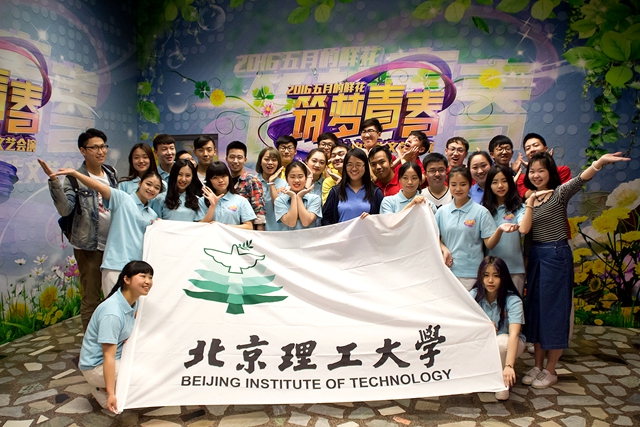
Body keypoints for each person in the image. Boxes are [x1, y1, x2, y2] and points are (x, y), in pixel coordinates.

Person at [521, 151, 629, 389]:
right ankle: (537, 366)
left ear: (550, 172)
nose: (536, 175)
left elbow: (581, 179)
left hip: (556, 255)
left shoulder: (559, 193)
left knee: (554, 312)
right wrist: (526, 268)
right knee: (536, 311)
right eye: (532, 171)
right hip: (536, 256)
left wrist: (599, 163)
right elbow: (527, 237)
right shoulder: (529, 200)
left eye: (541, 170)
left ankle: (550, 370)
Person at [39, 128, 118, 332]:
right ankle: (91, 343)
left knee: (114, 293)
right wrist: (54, 182)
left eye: (103, 146)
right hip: (89, 247)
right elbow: (65, 210)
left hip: (114, 244)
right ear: (83, 151)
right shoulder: (74, 178)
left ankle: (111, 337)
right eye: (95, 147)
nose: (101, 151)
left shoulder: (111, 172)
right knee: (91, 297)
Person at [48, 163, 162, 296]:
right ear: (140, 183)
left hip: (137, 270)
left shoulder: (152, 215)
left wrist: (159, 226)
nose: (151, 189)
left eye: (157, 187)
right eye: (148, 184)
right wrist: (75, 174)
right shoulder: (122, 199)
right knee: (114, 305)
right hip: (116, 265)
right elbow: (98, 186)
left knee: (133, 308)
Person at [79, 260, 153, 413]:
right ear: (126, 279)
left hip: (118, 357)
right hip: (96, 366)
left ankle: (109, 387)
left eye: (150, 277)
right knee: (147, 376)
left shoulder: (132, 302)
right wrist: (112, 394)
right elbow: (108, 357)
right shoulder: (112, 313)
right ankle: (102, 389)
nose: (148, 281)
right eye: (142, 276)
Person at [436, 166, 518, 290]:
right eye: (453, 185)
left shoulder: (481, 212)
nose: (458, 189)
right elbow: (433, 237)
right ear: (448, 186)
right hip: (446, 271)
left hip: (472, 273)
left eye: (463, 184)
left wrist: (500, 229)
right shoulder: (442, 212)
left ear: (470, 185)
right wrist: (444, 249)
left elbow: (490, 244)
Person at [469, 256, 525, 401]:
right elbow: (464, 326)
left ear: (503, 277)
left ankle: (502, 382)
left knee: (500, 342)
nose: (490, 280)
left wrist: (509, 366)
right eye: (486, 275)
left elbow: (514, 335)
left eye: (496, 275)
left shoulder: (513, 300)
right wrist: (483, 327)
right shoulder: (473, 296)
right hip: (482, 342)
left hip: (508, 344)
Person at [482, 165, 540, 295]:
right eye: (495, 182)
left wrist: (530, 202)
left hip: (514, 268)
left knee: (514, 306)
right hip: (490, 270)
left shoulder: (519, 208)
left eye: (504, 181)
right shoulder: (484, 210)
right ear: (489, 185)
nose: (500, 186)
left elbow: (524, 229)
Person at [322, 148, 383, 225]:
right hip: (341, 233)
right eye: (350, 164)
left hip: (367, 233)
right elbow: (326, 220)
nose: (354, 169)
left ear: (365, 166)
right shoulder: (336, 191)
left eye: (358, 165)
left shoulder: (376, 192)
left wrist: (372, 220)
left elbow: (382, 221)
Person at [516, 133, 571, 199]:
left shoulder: (563, 170)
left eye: (536, 145)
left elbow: (560, 193)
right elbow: (527, 196)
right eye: (528, 148)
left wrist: (549, 163)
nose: (532, 150)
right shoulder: (522, 178)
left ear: (546, 149)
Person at [225, 141, 266, 230]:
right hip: (227, 231)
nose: (235, 161)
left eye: (239, 157)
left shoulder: (252, 181)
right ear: (226, 159)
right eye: (232, 157)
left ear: (245, 160)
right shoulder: (224, 181)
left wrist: (260, 234)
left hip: (246, 232)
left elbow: (259, 211)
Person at [204, 162, 256, 229]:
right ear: (209, 180)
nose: (220, 180)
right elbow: (200, 227)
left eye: (223, 176)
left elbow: (249, 227)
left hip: (232, 236)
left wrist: (224, 227)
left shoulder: (241, 200)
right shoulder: (202, 201)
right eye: (215, 177)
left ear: (229, 177)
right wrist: (212, 206)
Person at [275, 161, 322, 230]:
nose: (296, 180)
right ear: (286, 179)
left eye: (300, 176)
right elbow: (291, 223)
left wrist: (299, 197)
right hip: (287, 237)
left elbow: (306, 222)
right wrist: (293, 197)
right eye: (292, 177)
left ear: (306, 178)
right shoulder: (280, 200)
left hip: (309, 237)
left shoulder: (315, 198)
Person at [256, 147, 288, 231]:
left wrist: (271, 183)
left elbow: (279, 207)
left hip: (278, 231)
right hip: (256, 232)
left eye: (274, 160)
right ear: (260, 162)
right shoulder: (253, 181)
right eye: (266, 159)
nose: (270, 163)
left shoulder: (284, 184)